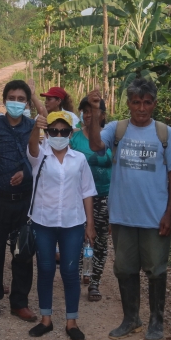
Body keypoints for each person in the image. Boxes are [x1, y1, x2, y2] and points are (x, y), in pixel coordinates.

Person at [87, 81, 171, 340]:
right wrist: (95, 112)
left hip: (154, 217)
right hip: (122, 217)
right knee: (125, 269)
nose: (142, 108)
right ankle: (131, 319)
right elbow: (96, 145)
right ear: (128, 103)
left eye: (147, 102)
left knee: (157, 270)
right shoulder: (116, 129)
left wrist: (169, 214)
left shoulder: (165, 133)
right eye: (136, 102)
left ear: (154, 103)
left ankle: (156, 322)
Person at [26, 111, 96, 340]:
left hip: (72, 222)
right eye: (53, 131)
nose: (58, 135)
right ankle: (46, 319)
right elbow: (32, 147)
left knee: (69, 272)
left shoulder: (79, 159)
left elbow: (87, 192)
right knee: (45, 269)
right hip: (43, 221)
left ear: (70, 133)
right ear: (47, 133)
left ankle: (71, 322)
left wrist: (90, 224)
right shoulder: (40, 155)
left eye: (63, 131)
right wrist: (36, 128)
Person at [0, 80, 38, 322]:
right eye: (12, 97)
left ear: (27, 103)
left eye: (22, 99)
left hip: (24, 202)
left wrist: (27, 173)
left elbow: (38, 160)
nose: (16, 102)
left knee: (23, 252)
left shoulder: (32, 127)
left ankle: (20, 303)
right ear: (4, 100)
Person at [70, 96, 112, 301]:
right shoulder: (74, 138)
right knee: (78, 238)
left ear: (102, 115)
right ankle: (79, 274)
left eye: (93, 111)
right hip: (77, 198)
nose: (88, 115)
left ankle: (94, 283)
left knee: (101, 241)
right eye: (85, 111)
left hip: (104, 197)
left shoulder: (111, 138)